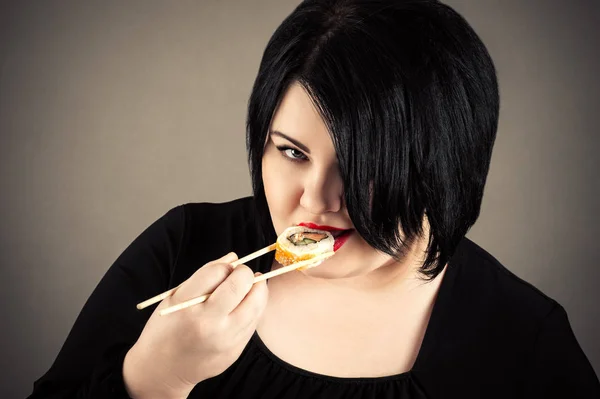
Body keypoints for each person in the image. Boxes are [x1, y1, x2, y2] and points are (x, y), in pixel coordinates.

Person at [28, 0, 599, 398]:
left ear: (443, 167)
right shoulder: (186, 248)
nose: (313, 200)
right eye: (292, 153)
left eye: (358, 167)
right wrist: (152, 381)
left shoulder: (522, 338)